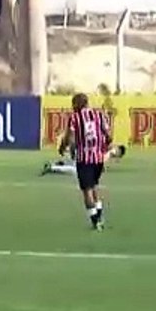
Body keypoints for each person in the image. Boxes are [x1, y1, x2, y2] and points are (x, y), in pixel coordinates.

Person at [57, 93, 112, 230]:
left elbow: (70, 138)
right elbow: (109, 135)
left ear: (77, 104)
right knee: (93, 186)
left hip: (84, 158)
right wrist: (103, 147)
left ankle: (95, 221)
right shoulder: (99, 115)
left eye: (73, 104)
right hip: (98, 159)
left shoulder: (75, 118)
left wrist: (65, 148)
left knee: (87, 189)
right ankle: (99, 216)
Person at [41, 144, 126, 175]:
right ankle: (52, 167)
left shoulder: (108, 150)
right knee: (76, 171)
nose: (118, 156)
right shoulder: (112, 151)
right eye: (119, 154)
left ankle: (58, 164)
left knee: (75, 164)